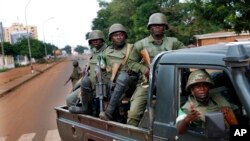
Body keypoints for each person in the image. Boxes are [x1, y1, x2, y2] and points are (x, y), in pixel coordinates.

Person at [127, 12, 186, 126]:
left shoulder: (173, 42)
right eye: (155, 25)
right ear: (150, 28)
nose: (158, 28)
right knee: (133, 114)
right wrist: (144, 69)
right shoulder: (140, 44)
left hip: (169, 82)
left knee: (176, 111)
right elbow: (130, 62)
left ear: (165, 27)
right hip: (147, 82)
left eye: (160, 25)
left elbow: (186, 53)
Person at [176, 69, 238, 134]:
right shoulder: (187, 108)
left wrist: (228, 112)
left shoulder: (217, 98)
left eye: (205, 85)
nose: (202, 89)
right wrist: (187, 119)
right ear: (192, 90)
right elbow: (180, 131)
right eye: (198, 86)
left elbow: (237, 111)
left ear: (209, 87)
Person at [99, 23, 138, 123]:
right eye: (115, 35)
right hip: (112, 83)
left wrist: (133, 69)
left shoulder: (132, 48)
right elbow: (101, 66)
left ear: (125, 36)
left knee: (123, 77)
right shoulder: (106, 51)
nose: (119, 37)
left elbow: (140, 65)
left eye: (121, 34)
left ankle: (109, 112)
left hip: (129, 83)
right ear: (111, 37)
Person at [66, 30, 108, 117]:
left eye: (97, 39)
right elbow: (89, 66)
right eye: (93, 40)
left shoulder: (108, 51)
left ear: (102, 40)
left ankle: (87, 111)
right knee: (70, 100)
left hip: (101, 85)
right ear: (90, 42)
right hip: (88, 84)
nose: (95, 41)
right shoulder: (94, 51)